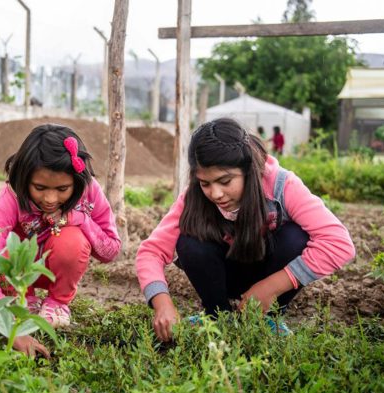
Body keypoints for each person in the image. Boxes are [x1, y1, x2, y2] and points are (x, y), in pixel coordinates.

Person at [136, 118, 355, 342]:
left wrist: (272, 286)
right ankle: (218, 316)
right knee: (190, 242)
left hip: (269, 271)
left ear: (249, 170)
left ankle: (267, 317)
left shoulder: (281, 186)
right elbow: (150, 252)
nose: (216, 193)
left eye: (225, 181)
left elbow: (338, 243)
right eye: (205, 183)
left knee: (296, 238)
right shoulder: (194, 197)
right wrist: (162, 303)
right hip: (225, 274)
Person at [0, 123, 121, 333]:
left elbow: (111, 250)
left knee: (72, 240)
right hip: (16, 276)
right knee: (3, 245)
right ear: (24, 178)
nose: (50, 199)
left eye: (62, 189)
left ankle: (57, 303)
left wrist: (79, 219)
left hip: (55, 272)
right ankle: (22, 297)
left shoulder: (89, 191)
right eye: (40, 188)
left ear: (77, 181)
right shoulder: (12, 196)